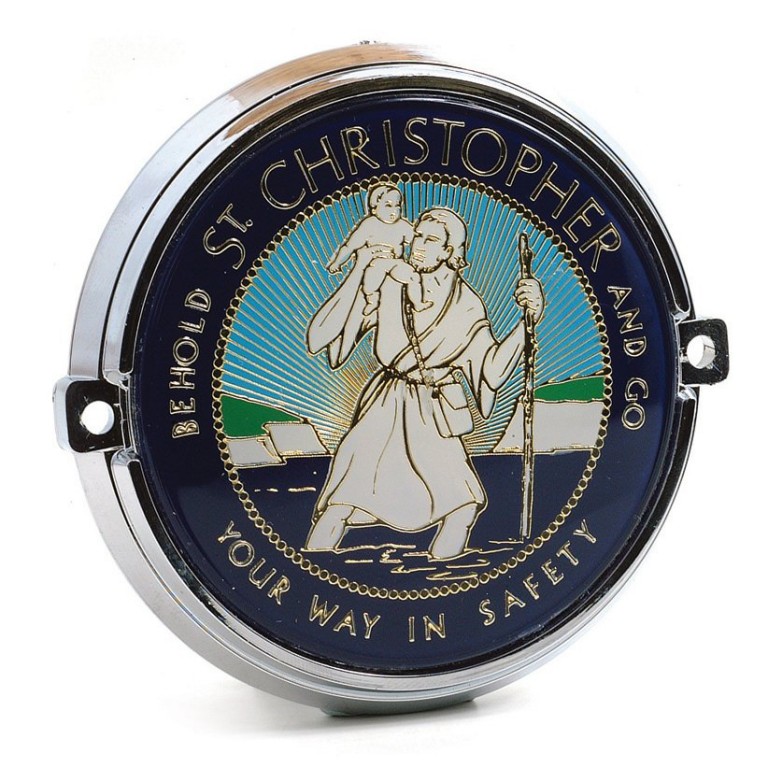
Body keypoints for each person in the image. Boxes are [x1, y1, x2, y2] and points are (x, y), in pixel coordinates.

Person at [305, 207, 543, 560]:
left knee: (463, 506)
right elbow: (322, 341)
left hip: (433, 411)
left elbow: (492, 371)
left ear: (450, 251)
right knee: (344, 500)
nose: (417, 245)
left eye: (430, 240)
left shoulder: (467, 305)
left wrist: (528, 321)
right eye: (417, 236)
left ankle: (447, 578)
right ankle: (315, 565)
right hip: (385, 407)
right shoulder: (391, 283)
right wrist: (358, 272)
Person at [325, 183, 430, 315]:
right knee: (369, 285)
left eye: (397, 205)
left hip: (396, 263)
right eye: (388, 205)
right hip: (376, 264)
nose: (394, 210)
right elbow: (349, 246)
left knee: (413, 277)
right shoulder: (368, 225)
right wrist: (337, 263)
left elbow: (415, 240)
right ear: (374, 209)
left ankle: (418, 303)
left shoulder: (403, 225)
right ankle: (372, 301)